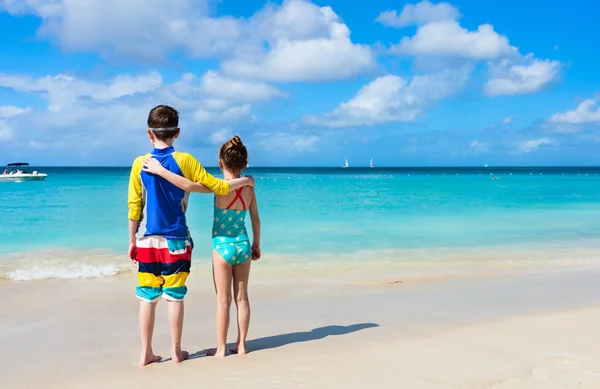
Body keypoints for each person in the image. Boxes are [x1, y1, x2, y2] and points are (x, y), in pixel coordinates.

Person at [128, 106, 255, 367]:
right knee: (174, 296)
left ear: (148, 133)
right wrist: (246, 180)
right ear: (178, 132)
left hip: (146, 240)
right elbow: (218, 186)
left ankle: (146, 354)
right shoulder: (184, 160)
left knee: (147, 296)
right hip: (176, 239)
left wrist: (132, 240)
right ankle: (176, 353)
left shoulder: (139, 164)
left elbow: (134, 206)